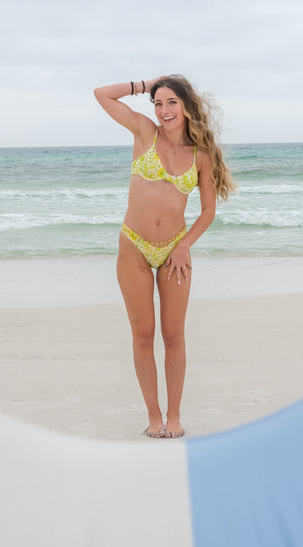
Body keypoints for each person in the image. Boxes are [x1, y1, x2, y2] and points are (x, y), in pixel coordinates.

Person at [94, 75, 235, 438]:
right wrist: (147, 84)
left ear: (186, 105)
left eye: (172, 102)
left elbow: (207, 211)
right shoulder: (144, 132)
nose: (164, 110)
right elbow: (102, 94)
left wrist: (184, 245)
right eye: (159, 103)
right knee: (143, 335)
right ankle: (154, 417)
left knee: (174, 335)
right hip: (134, 247)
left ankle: (174, 417)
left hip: (174, 249)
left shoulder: (200, 154)